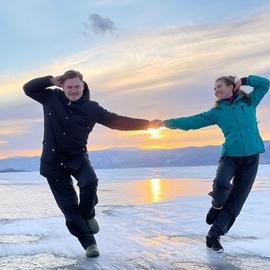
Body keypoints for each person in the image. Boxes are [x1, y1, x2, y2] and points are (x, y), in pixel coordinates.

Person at [23, 70, 160, 257]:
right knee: (69, 207)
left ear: (83, 85)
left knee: (90, 182)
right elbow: (28, 88)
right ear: (62, 86)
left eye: (77, 86)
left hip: (77, 157)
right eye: (69, 87)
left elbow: (116, 121)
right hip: (52, 161)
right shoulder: (51, 98)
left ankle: (88, 214)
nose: (73, 90)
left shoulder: (91, 108)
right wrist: (50, 80)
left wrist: (148, 124)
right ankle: (89, 244)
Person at [161, 74, 269, 251]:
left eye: (219, 86)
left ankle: (214, 235)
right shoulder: (217, 112)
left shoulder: (249, 102)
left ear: (231, 86)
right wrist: (167, 123)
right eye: (214, 89)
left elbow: (265, 84)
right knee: (221, 184)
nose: (216, 90)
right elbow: (193, 121)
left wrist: (245, 80)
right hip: (230, 157)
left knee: (236, 201)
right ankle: (216, 204)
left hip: (251, 158)